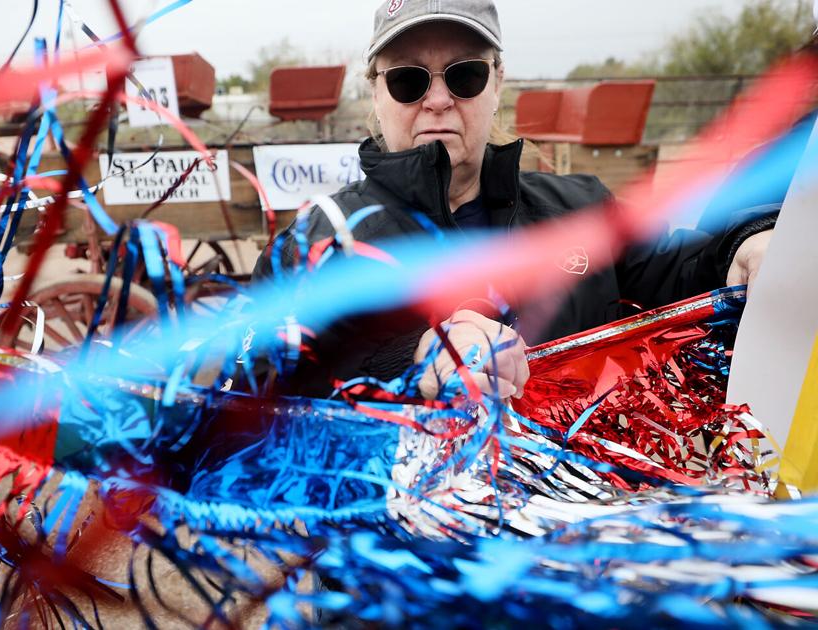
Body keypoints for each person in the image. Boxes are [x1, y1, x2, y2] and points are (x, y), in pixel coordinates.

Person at [251, 0, 777, 400]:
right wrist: (410, 358)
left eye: (465, 75)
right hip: (396, 535)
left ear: (497, 83)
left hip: (574, 522)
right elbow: (258, 374)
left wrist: (745, 244)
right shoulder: (319, 242)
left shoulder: (582, 208)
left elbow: (680, 268)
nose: (438, 99)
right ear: (375, 92)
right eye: (408, 80)